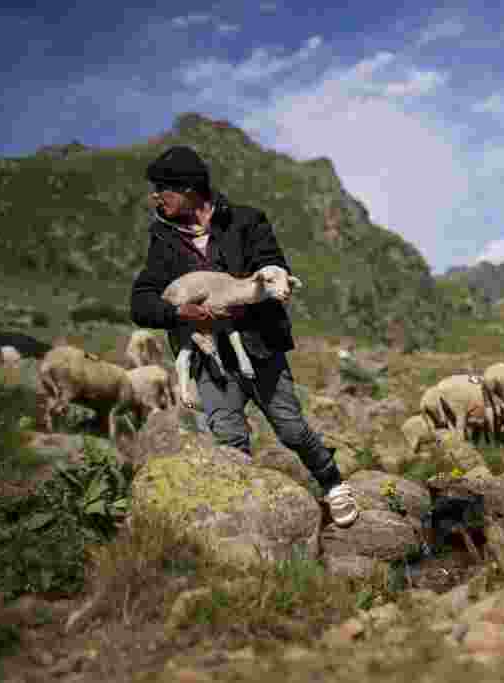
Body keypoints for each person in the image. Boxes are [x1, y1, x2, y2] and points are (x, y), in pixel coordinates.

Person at [130, 145, 358, 527]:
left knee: (291, 428)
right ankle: (252, 519)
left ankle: (332, 482)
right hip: (209, 360)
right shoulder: (163, 242)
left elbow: (274, 270)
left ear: (187, 189)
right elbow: (141, 302)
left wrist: (236, 302)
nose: (156, 197)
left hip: (258, 346)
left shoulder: (247, 222)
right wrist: (177, 311)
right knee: (229, 438)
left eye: (163, 189)